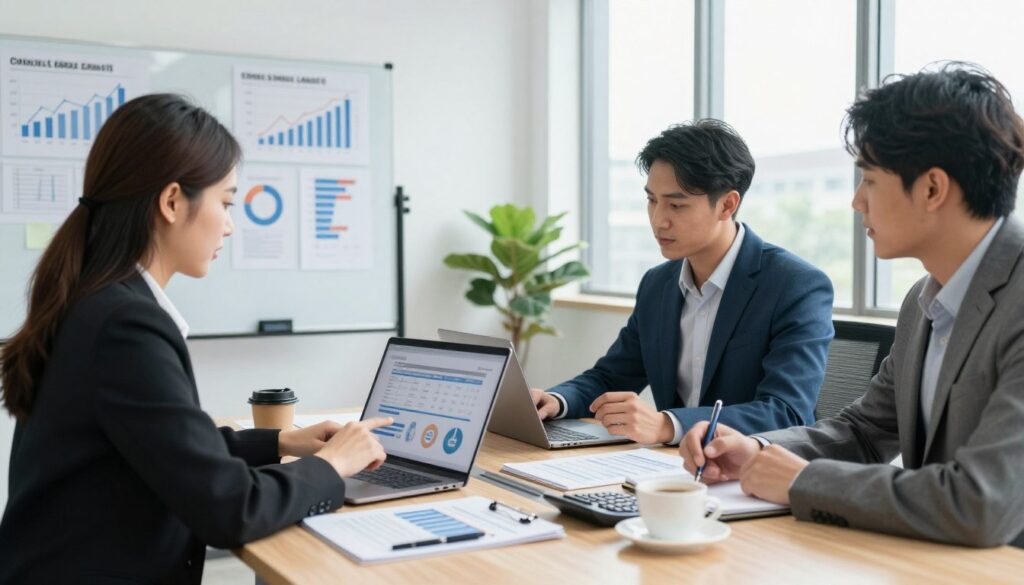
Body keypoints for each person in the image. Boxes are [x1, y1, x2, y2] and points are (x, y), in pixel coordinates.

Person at [0, 94, 392, 583]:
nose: (229, 224)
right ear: (170, 202)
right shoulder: (125, 327)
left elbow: (167, 445)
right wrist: (335, 466)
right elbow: (229, 509)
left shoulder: (95, 301)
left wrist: (283, 441)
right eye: (225, 202)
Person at [681, 64, 1024, 548]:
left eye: (869, 180)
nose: (856, 201)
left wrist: (801, 482)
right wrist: (757, 449)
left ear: (932, 189)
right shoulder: (924, 299)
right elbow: (866, 431)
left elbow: (981, 503)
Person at [531, 120, 834, 445]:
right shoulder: (657, 284)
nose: (658, 219)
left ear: (727, 205)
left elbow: (786, 412)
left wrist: (669, 424)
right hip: (670, 470)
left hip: (749, 476)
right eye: (652, 200)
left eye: (676, 205)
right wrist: (556, 401)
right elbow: (611, 375)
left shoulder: (795, 285)